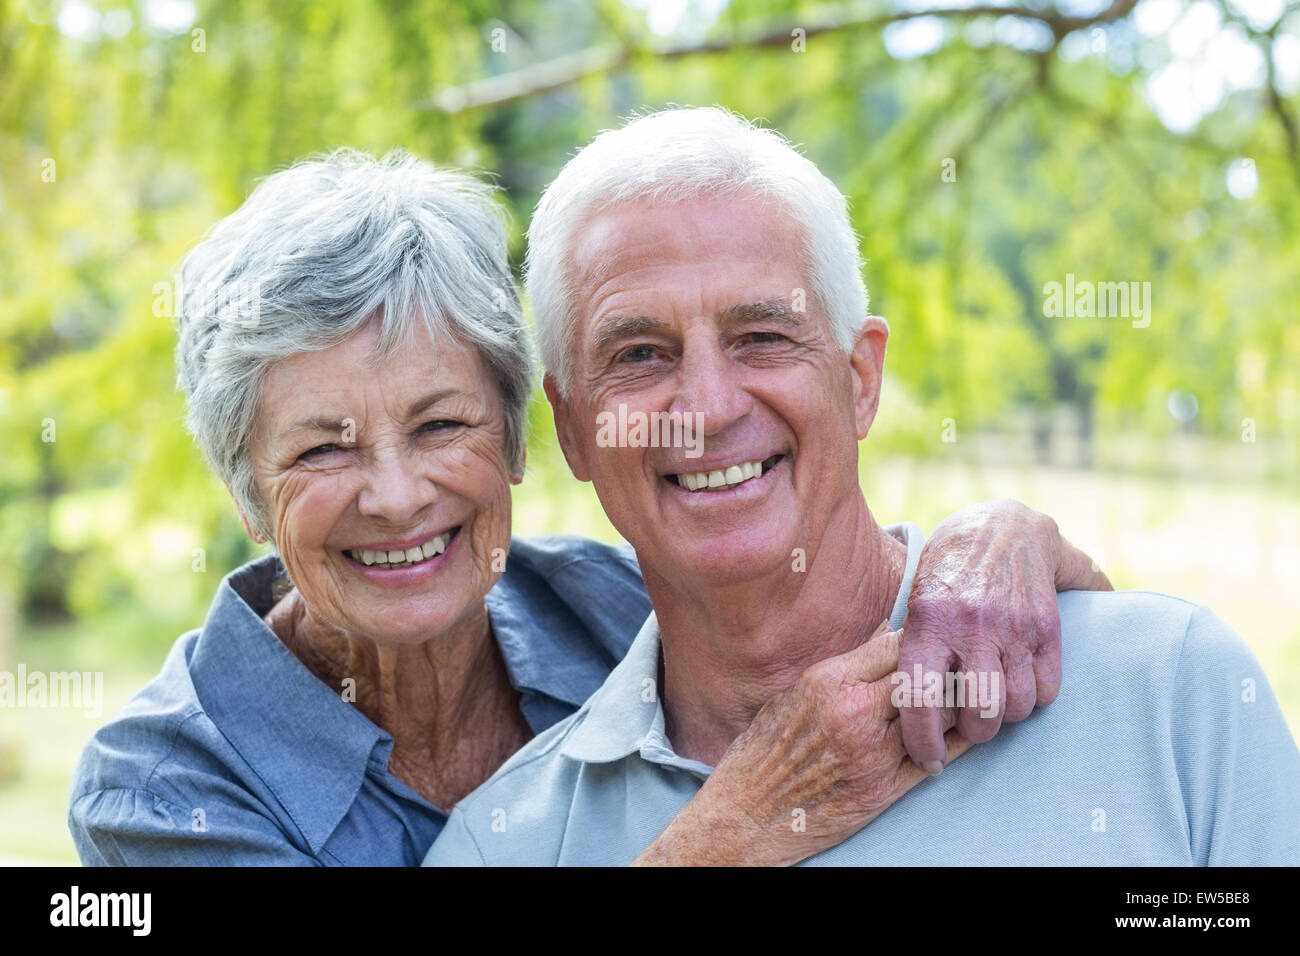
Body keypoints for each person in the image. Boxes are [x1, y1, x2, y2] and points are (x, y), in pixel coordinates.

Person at [69, 148, 1106, 866]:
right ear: (248, 490)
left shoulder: (609, 601)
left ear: (522, 439)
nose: (393, 496)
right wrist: (735, 829)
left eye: (440, 426)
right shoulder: (160, 787)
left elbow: (869, 581)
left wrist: (1001, 536)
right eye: (322, 448)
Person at [424, 107, 1300, 866]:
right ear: (572, 428)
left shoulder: (1172, 691)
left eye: (763, 334)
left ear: (861, 381)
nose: (708, 407)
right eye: (639, 355)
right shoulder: (502, 845)